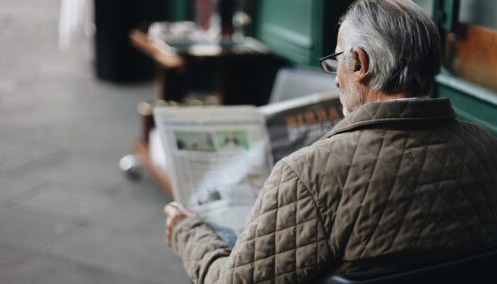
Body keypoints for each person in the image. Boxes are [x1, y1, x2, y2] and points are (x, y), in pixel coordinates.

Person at [164, 0, 497, 282]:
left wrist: (187, 231)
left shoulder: (308, 174)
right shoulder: (485, 146)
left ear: (360, 63)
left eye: (337, 59)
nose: (336, 76)